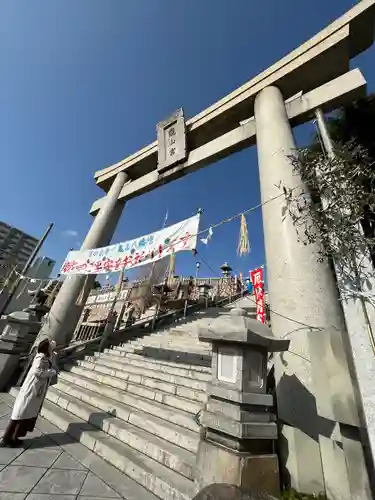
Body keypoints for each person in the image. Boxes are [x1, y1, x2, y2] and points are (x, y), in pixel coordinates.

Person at [0, 338, 57, 447]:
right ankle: (7, 438)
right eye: (51, 348)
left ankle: (14, 437)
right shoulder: (41, 358)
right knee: (20, 414)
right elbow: (38, 371)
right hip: (31, 389)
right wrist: (52, 372)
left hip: (34, 390)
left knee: (23, 414)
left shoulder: (45, 357)